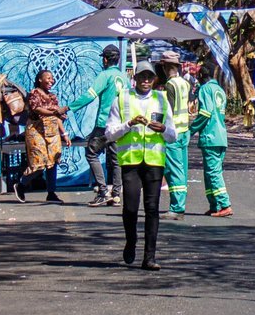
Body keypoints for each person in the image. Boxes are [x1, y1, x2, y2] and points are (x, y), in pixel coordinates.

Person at [110, 68, 168, 269]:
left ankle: (149, 257)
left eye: (149, 77)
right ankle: (131, 241)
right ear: (134, 79)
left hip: (154, 161)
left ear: (154, 79)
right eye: (142, 77)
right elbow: (110, 133)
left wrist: (163, 129)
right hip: (131, 161)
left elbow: (173, 134)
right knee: (130, 208)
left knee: (152, 209)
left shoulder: (162, 99)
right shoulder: (122, 98)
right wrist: (129, 124)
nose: (145, 80)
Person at [69, 44, 128, 207]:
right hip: (120, 124)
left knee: (91, 153)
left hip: (104, 123)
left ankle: (103, 192)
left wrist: (70, 107)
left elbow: (90, 94)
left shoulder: (105, 75)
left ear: (105, 59)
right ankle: (116, 194)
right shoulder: (124, 77)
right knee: (116, 159)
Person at [16, 70, 66, 203]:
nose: (51, 80)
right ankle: (21, 185)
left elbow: (58, 117)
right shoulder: (34, 94)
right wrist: (54, 112)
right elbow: (37, 109)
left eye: (52, 78)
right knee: (39, 162)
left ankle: (51, 193)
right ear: (40, 79)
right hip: (36, 131)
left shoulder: (53, 96)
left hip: (52, 131)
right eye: (48, 78)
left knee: (53, 161)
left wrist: (64, 134)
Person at [192, 60, 232, 217]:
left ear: (202, 75)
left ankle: (224, 203)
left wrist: (191, 129)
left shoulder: (205, 89)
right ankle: (214, 204)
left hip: (210, 136)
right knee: (211, 173)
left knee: (213, 173)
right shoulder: (219, 90)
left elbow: (205, 113)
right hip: (221, 136)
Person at [158, 54, 193, 218]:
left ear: (165, 67)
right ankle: (180, 204)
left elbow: (169, 111)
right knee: (182, 169)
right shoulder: (185, 83)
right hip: (185, 130)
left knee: (173, 170)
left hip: (174, 132)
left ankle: (177, 208)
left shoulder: (170, 85)